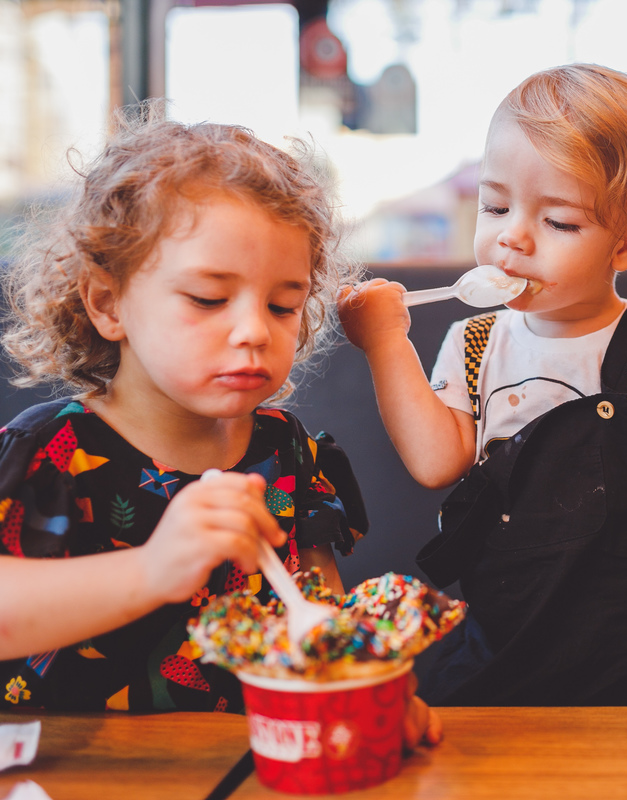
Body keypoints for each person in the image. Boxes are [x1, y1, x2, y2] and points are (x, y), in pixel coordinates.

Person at [0, 109, 440, 745]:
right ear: (107, 302)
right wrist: (154, 569)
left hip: (254, 764)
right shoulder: (51, 452)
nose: (255, 330)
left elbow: (318, 616)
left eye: (283, 305)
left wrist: (363, 693)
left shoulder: (287, 452)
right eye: (208, 299)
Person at [338, 63, 627, 704]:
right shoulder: (476, 343)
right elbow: (437, 462)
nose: (512, 236)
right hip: (499, 646)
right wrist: (385, 345)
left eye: (559, 223)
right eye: (495, 205)